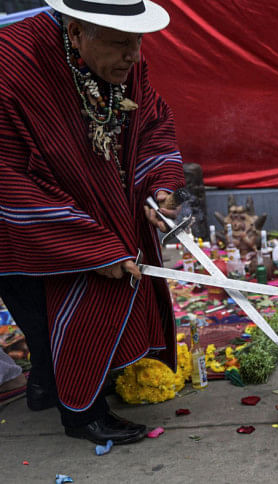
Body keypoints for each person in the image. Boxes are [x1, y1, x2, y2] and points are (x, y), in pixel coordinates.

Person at [0, 0, 184, 444]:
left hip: (94, 205)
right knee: (45, 311)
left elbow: (150, 120)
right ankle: (84, 414)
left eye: (138, 42)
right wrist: (89, 247)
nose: (134, 56)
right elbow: (6, 173)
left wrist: (159, 185)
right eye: (122, 44)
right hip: (21, 219)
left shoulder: (124, 61)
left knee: (77, 311)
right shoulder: (14, 63)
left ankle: (49, 387)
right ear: (78, 32)